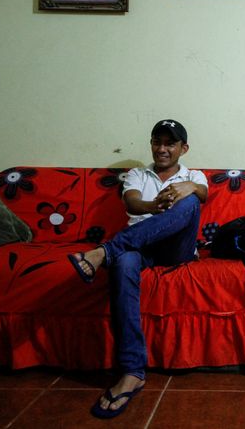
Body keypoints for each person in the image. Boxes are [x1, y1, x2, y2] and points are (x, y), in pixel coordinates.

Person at [68, 119, 208, 419]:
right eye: (157, 142)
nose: (162, 149)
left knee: (190, 203)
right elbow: (132, 204)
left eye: (170, 143)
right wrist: (154, 206)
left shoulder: (194, 174)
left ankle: (103, 251)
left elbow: (204, 195)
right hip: (139, 247)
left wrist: (190, 186)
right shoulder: (136, 174)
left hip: (176, 249)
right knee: (123, 263)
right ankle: (132, 371)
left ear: (183, 148)